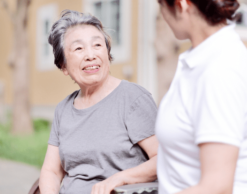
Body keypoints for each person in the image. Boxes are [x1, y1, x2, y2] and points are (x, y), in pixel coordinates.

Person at [39, 10, 159, 194]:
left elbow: (164, 159)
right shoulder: (63, 109)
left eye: (97, 45)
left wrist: (119, 179)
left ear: (107, 53)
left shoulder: (133, 98)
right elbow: (52, 171)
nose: (90, 55)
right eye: (79, 48)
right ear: (63, 66)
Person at [155, 0, 247, 194]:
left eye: (161, 5)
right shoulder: (199, 60)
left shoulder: (220, 71)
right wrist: (127, 175)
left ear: (181, 5)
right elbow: (182, 149)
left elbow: (217, 187)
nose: (162, 14)